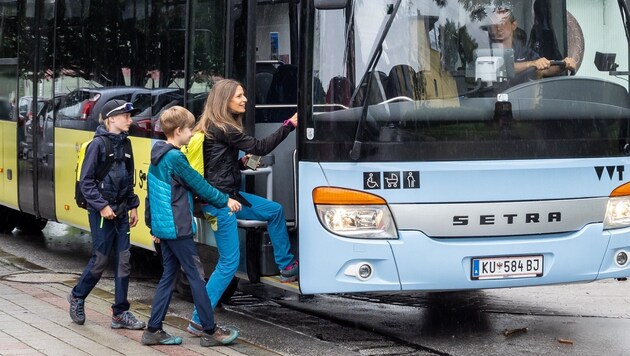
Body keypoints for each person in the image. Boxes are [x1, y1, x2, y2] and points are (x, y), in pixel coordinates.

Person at [187, 79, 298, 336]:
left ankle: (286, 266)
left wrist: (239, 164)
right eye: (239, 96)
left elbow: (215, 167)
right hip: (221, 203)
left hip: (231, 197)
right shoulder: (223, 127)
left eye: (244, 94)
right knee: (228, 264)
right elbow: (261, 147)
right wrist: (289, 125)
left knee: (274, 210)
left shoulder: (213, 128)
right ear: (224, 100)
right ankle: (198, 319)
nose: (244, 99)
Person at [141, 106, 241, 347]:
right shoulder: (175, 157)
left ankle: (153, 330)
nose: (192, 133)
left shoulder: (158, 154)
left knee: (169, 276)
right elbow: (199, 185)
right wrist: (225, 199)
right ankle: (209, 330)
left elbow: (150, 194)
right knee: (196, 276)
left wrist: (152, 226)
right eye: (189, 129)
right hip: (177, 227)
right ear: (178, 131)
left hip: (165, 228)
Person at [68, 99, 145, 330]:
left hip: (121, 211)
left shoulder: (127, 144)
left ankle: (120, 313)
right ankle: (77, 296)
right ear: (112, 118)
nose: (131, 120)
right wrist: (102, 205)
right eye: (126, 116)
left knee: (124, 261)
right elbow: (86, 183)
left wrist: (132, 205)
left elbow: (128, 179)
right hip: (102, 211)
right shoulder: (97, 145)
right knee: (100, 260)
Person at [487, 7, 576, 78]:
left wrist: (563, 64)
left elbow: (544, 69)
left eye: (503, 23)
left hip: (521, 96)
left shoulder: (523, 51)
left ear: (513, 25)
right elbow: (499, 68)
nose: (499, 28)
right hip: (490, 97)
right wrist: (531, 64)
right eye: (495, 24)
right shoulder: (485, 50)